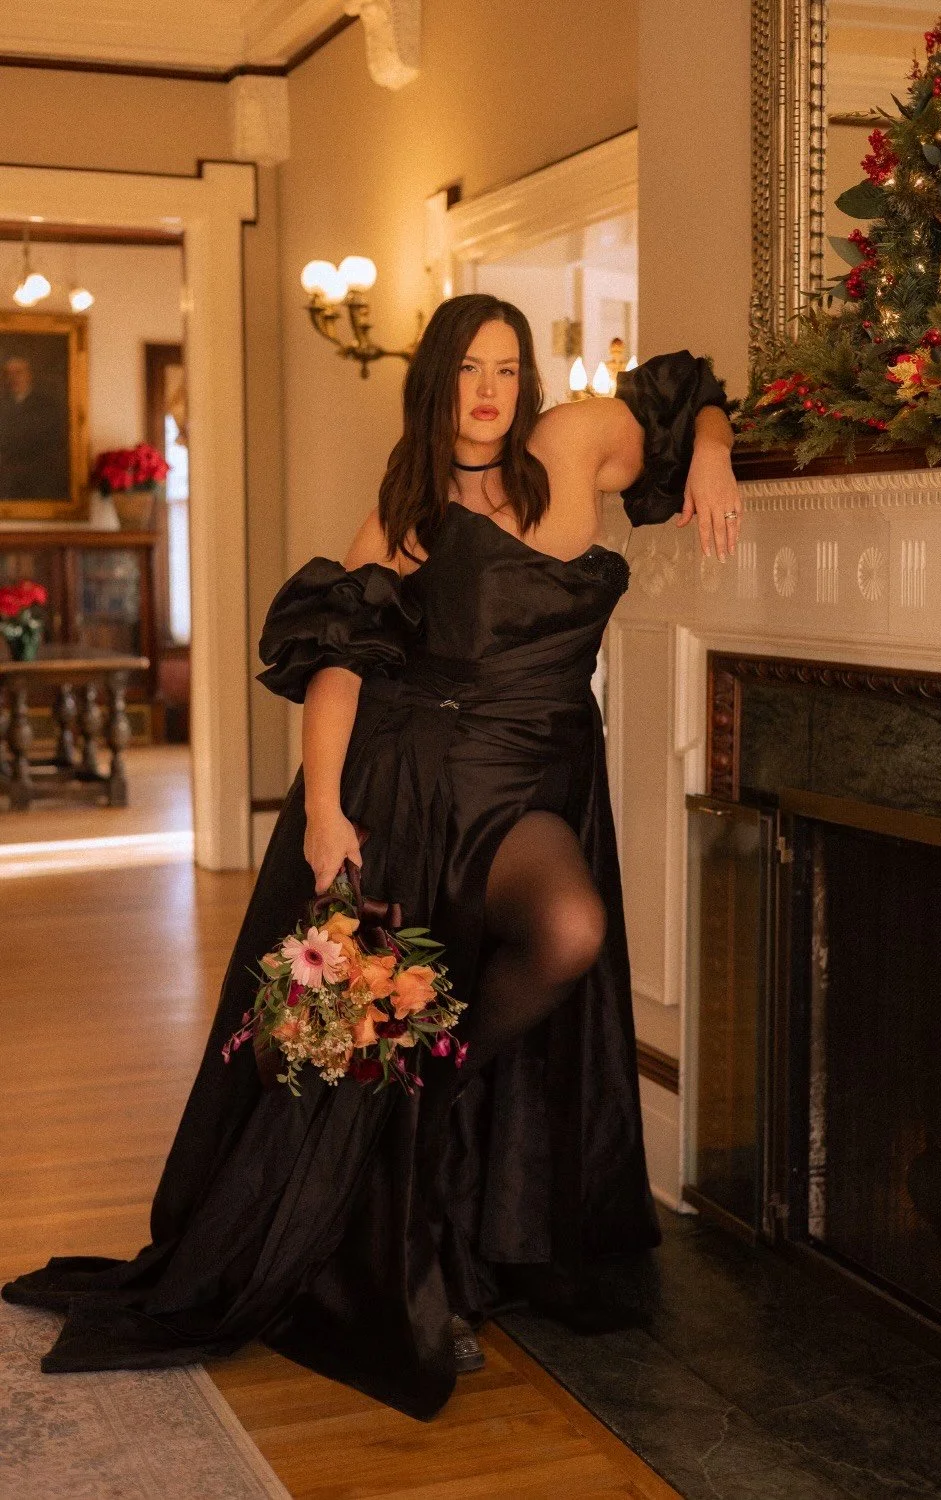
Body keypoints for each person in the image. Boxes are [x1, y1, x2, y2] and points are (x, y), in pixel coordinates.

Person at [3, 294, 741, 1420]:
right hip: (425, 785)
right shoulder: (405, 516)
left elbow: (692, 394)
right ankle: (424, 1144)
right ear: (433, 383)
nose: (487, 391)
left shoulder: (577, 440)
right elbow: (337, 663)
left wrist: (719, 458)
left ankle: (430, 1100)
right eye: (466, 371)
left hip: (543, 775)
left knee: (552, 941)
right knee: (538, 941)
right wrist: (323, 813)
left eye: (505, 368)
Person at [0, 354, 69, 500]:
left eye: (18, 372)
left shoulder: (47, 406)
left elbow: (54, 444)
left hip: (40, 480)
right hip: (6, 481)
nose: (13, 378)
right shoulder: (3, 405)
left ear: (29, 375)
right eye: (8, 374)